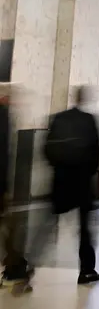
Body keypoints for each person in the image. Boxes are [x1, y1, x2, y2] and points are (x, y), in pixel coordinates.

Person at [43, 86, 99, 284]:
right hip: (82, 182)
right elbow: (97, 151)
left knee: (46, 226)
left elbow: (47, 148)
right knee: (85, 229)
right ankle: (86, 270)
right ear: (84, 98)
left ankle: (24, 264)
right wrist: (90, 172)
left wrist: (58, 168)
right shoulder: (89, 120)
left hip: (61, 180)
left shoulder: (59, 118)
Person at [0, 83, 33, 292]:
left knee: (8, 227)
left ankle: (14, 268)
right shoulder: (3, 115)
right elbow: (3, 152)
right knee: (10, 227)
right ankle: (15, 269)